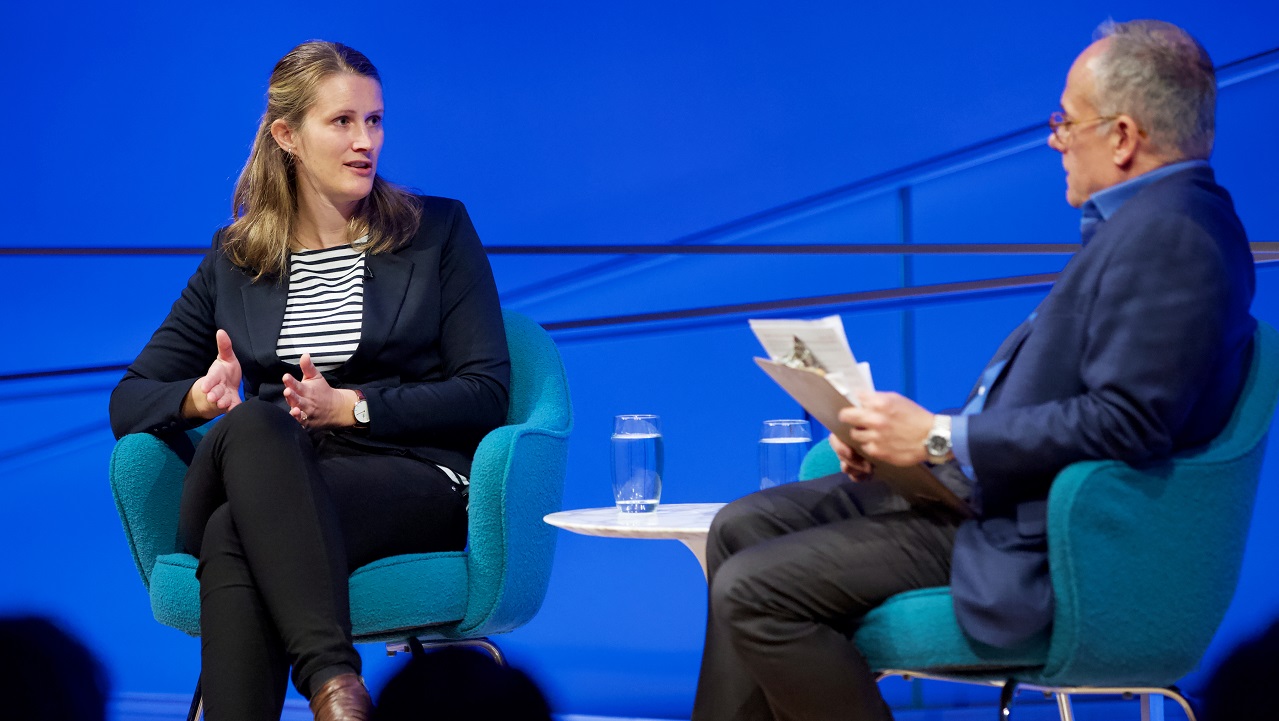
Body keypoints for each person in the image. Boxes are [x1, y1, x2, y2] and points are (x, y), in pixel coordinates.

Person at [692, 19, 1256, 721]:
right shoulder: (1150, 223)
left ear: (1120, 135)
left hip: (1035, 529)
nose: (1054, 138)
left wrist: (935, 439)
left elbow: (1127, 422)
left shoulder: (1175, 234)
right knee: (740, 525)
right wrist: (896, 437)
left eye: (1065, 121)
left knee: (755, 588)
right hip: (983, 494)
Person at [109, 41, 509, 721]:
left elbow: (486, 389)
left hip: (404, 476)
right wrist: (198, 397)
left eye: (375, 121)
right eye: (343, 122)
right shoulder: (235, 258)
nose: (365, 142)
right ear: (287, 135)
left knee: (237, 531)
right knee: (257, 423)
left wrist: (351, 407)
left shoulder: (436, 231)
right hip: (269, 462)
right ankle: (334, 681)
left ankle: (329, 683)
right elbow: (128, 398)